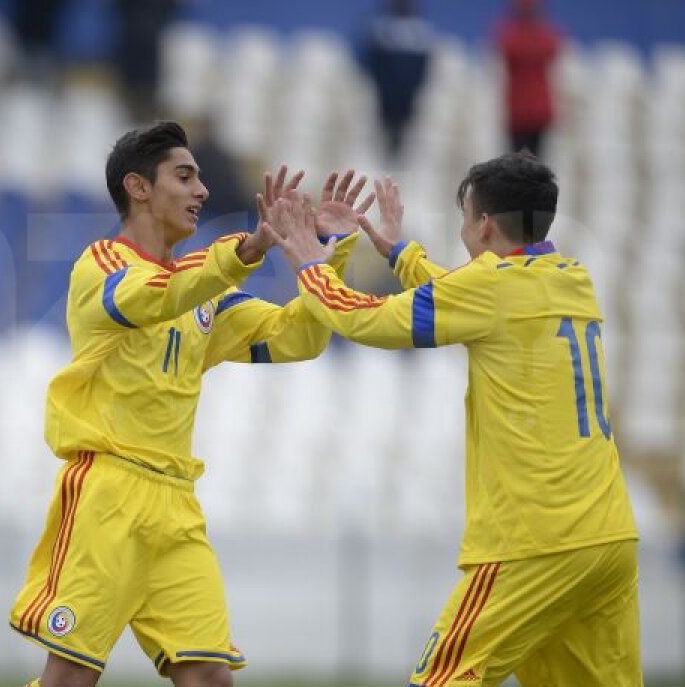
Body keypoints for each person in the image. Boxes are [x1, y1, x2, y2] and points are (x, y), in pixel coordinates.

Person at [8, 120, 372, 686]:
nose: (202, 191)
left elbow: (300, 337)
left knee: (207, 677)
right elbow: (154, 298)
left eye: (200, 177)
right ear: (138, 187)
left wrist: (327, 249)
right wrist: (248, 248)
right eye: (185, 176)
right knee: (70, 680)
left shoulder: (202, 290)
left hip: (176, 505)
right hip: (109, 498)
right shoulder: (102, 266)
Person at [265, 153, 641, 686]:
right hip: (608, 539)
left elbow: (363, 319)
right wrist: (399, 254)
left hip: (535, 540)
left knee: (444, 680)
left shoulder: (490, 288)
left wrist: (310, 264)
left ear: (483, 224)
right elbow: (469, 298)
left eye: (464, 215)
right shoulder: (569, 279)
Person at [360, 0, 433, 161]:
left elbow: (423, 68)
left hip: (408, 97)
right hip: (385, 96)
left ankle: (400, 156)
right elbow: (372, 64)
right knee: (384, 133)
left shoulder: (420, 31)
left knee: (405, 135)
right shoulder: (381, 29)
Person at [495, 0, 563, 155]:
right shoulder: (534, 36)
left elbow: (553, 48)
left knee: (530, 161)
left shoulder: (534, 36)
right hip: (521, 111)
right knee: (521, 161)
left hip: (532, 111)